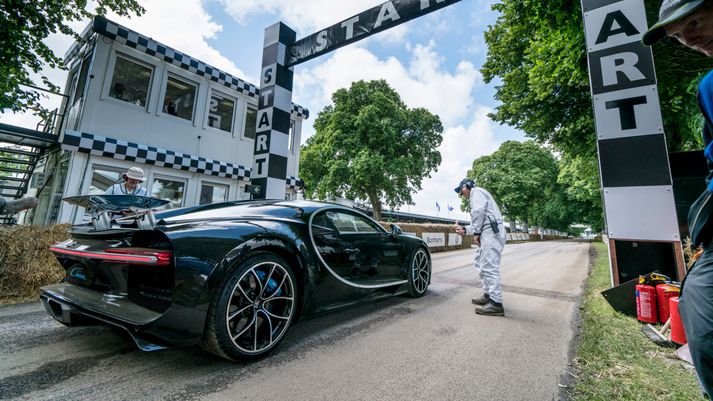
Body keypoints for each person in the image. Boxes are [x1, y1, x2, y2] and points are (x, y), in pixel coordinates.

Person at [643, 0, 713, 396]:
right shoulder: (709, 87)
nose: (688, 38)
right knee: (698, 305)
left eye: (695, 22)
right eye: (677, 35)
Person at [453, 178, 506, 316]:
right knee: (481, 264)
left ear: (467, 186)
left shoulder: (476, 192)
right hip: (488, 231)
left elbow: (478, 213)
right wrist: (465, 229)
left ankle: (496, 303)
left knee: (489, 266)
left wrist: (476, 232)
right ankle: (489, 295)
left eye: (461, 190)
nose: (461, 194)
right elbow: (480, 220)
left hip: (490, 232)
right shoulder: (478, 196)